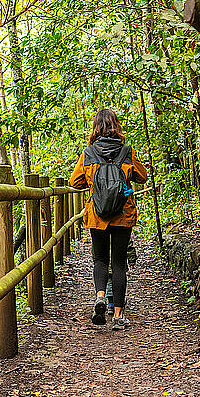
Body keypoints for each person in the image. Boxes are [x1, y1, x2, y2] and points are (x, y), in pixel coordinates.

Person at [69, 108, 148, 330]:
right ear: (116, 126)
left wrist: (95, 182)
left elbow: (75, 182)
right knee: (119, 262)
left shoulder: (88, 154)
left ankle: (100, 296)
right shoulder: (127, 152)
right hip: (123, 213)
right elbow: (142, 176)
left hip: (97, 215)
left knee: (100, 259)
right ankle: (118, 316)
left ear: (96, 128)